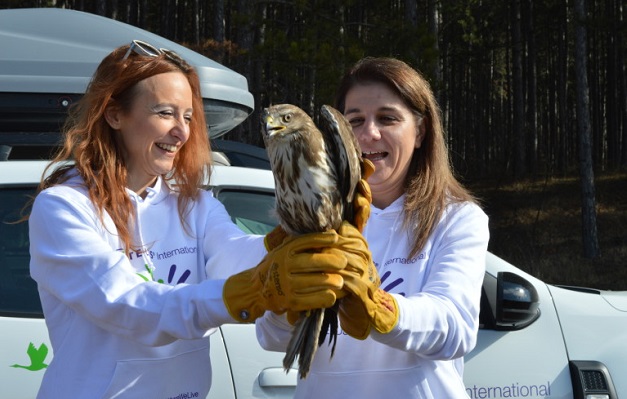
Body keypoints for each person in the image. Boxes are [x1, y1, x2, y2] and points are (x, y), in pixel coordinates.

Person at [28, 40, 361, 398]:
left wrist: (290, 246)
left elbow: (234, 255)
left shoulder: (193, 204)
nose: (182, 132)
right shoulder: (63, 206)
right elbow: (126, 303)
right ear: (114, 115)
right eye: (165, 113)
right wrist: (244, 293)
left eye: (187, 117)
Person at [256, 56, 490, 398]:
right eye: (355, 120)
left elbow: (454, 329)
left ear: (420, 131)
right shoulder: (315, 219)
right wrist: (285, 297)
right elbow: (271, 337)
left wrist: (378, 307)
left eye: (387, 118)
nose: (369, 134)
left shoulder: (455, 218)